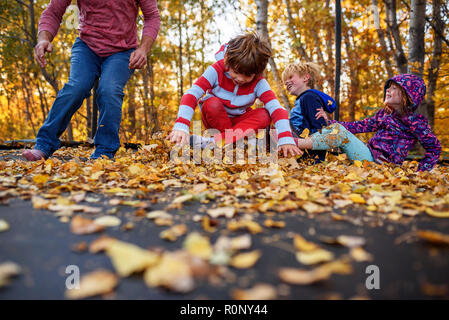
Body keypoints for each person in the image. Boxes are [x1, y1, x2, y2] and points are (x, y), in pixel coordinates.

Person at [22, 0, 160, 161]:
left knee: (109, 90)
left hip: (123, 51)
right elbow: (53, 11)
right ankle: (44, 145)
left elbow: (152, 16)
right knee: (76, 88)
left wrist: (143, 49)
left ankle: (104, 152)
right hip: (87, 46)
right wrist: (43, 39)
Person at [167, 32, 301, 158]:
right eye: (236, 72)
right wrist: (181, 125)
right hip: (216, 118)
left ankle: (216, 143)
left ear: (257, 72)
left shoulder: (259, 82)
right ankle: (229, 142)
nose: (241, 79)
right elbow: (192, 94)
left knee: (265, 114)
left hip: (241, 123)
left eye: (248, 75)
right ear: (228, 62)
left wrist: (285, 138)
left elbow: (277, 109)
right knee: (211, 103)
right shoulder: (216, 69)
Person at [294, 74, 441, 171]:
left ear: (407, 96)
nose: (388, 90)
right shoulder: (384, 115)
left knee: (339, 133)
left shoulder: (416, 123)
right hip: (368, 155)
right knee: (336, 129)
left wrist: (422, 170)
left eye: (394, 88)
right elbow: (359, 126)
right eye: (388, 87)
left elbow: (434, 148)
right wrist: (329, 121)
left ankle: (294, 143)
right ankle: (298, 145)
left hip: (382, 165)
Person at [283, 61, 336, 163]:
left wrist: (316, 158)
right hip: (301, 148)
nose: (286, 82)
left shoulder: (309, 97)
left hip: (309, 154)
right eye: (285, 80)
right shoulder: (302, 99)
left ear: (305, 78)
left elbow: (319, 129)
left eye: (290, 77)